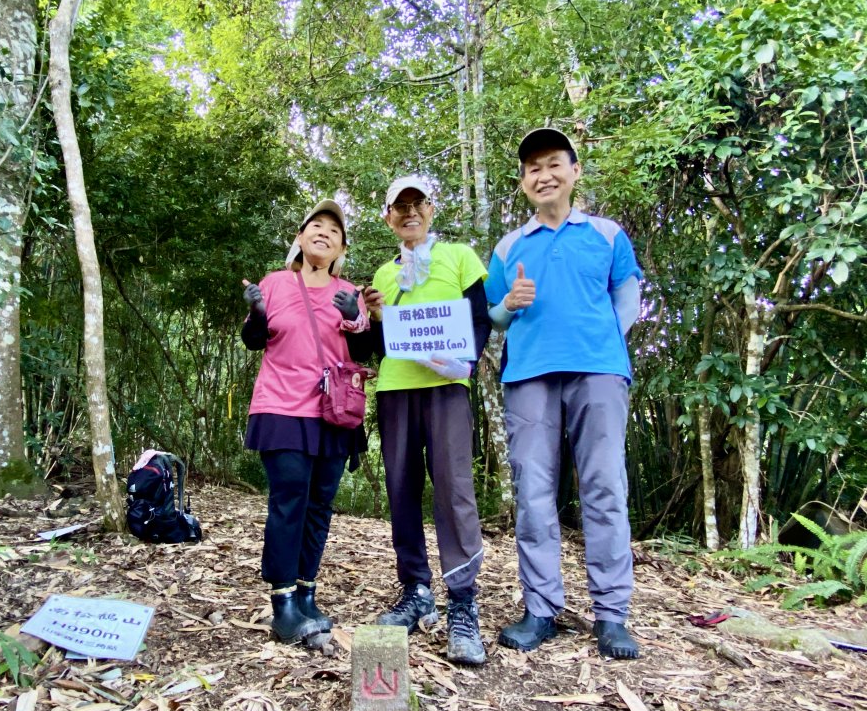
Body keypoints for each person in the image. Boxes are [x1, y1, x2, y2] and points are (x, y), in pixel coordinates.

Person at [486, 127, 643, 660]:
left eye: (554, 163)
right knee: (533, 491)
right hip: (528, 374)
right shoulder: (509, 247)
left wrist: (600, 344)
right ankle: (541, 609)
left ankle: (611, 615)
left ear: (574, 171)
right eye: (533, 168)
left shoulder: (605, 234)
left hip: (598, 373)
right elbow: (497, 317)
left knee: (603, 486)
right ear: (523, 182)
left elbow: (628, 300)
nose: (543, 175)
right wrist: (511, 300)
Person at [361, 176, 491, 666]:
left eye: (418, 204)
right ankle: (416, 591)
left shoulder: (460, 256)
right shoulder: (383, 272)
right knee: (401, 488)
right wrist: (373, 317)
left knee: (455, 488)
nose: (410, 213)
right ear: (388, 217)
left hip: (447, 387)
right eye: (400, 207)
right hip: (396, 389)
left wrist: (468, 363)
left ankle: (462, 601)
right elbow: (380, 345)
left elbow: (478, 319)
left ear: (431, 210)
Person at [241, 199, 370, 647]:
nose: (323, 233)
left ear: (341, 247)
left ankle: (307, 593)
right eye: (315, 226)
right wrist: (257, 313)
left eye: (333, 230)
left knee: (320, 502)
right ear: (299, 238)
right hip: (281, 404)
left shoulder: (349, 291)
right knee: (290, 497)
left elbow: (365, 346)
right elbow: (254, 339)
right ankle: (282, 604)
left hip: (334, 411)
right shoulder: (275, 283)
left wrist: (355, 317)